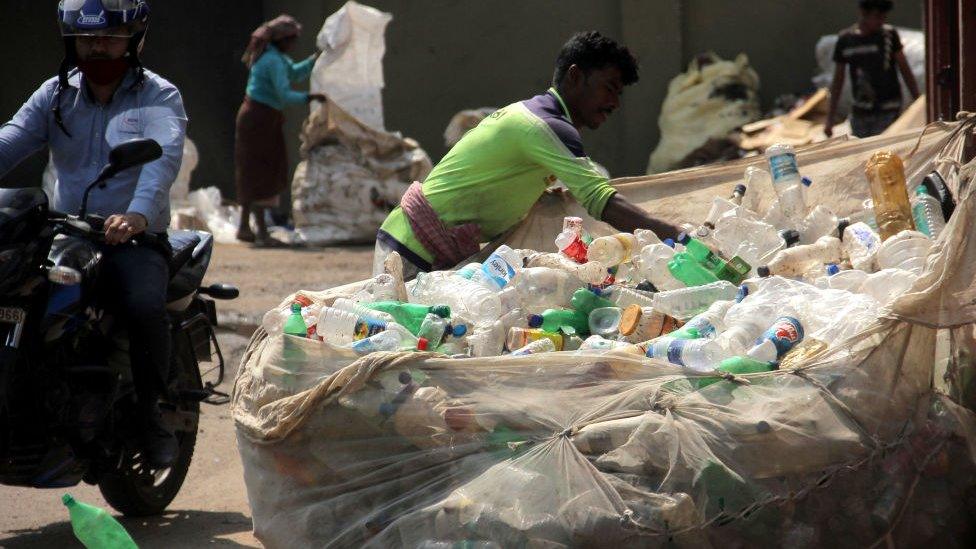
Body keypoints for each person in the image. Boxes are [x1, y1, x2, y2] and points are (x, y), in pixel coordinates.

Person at [0, 0, 187, 467]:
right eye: (86, 39)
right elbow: (13, 139)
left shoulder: (159, 97)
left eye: (108, 38)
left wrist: (139, 215)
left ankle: (150, 414)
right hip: (64, 233)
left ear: (134, 41)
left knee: (143, 306)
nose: (96, 47)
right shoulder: (55, 94)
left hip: (132, 237)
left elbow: (160, 163)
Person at [374, 31, 680, 277]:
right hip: (416, 248)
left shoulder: (533, 115)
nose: (614, 103)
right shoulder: (547, 126)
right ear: (575, 77)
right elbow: (600, 200)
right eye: (609, 88)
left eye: (618, 93)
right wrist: (679, 237)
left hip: (417, 241)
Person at [236, 15, 325, 246]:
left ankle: (246, 227)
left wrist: (314, 60)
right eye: (292, 40)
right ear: (282, 40)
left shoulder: (275, 58)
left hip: (258, 117)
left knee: (251, 169)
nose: (293, 45)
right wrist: (310, 97)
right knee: (263, 171)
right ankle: (262, 233)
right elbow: (284, 94)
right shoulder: (273, 61)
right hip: (260, 119)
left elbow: (293, 73)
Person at [825, 0, 920, 138]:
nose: (881, 21)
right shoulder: (846, 40)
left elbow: (905, 70)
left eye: (884, 17)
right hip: (861, 112)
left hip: (888, 110)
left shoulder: (888, 36)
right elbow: (838, 80)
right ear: (863, 14)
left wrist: (918, 103)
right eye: (877, 17)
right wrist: (830, 119)